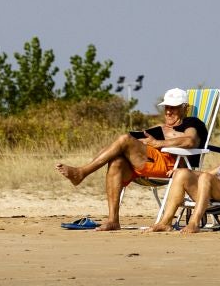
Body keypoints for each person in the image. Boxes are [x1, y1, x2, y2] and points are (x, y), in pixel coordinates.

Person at [57, 87, 207, 230]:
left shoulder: (191, 122)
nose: (168, 111)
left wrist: (158, 143)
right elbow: (135, 142)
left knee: (124, 139)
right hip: (149, 163)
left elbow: (190, 141)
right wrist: (141, 143)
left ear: (185, 108)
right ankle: (113, 220)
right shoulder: (160, 128)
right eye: (166, 107)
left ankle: (82, 172)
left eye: (173, 108)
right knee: (116, 161)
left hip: (172, 166)